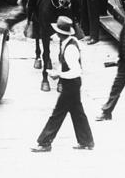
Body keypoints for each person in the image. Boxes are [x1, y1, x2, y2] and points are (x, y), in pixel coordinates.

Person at [30, 16, 94, 152]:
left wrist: (59, 75)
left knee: (57, 114)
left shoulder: (70, 48)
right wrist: (58, 71)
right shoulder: (70, 41)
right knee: (77, 113)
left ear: (61, 34)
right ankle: (86, 141)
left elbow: (76, 71)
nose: (55, 35)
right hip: (72, 84)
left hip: (71, 84)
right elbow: (66, 66)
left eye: (57, 32)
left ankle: (44, 142)